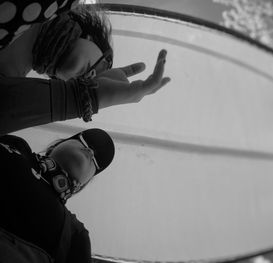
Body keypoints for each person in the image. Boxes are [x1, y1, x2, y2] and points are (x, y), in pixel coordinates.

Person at [0, 4, 170, 135]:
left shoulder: (8, 80)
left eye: (91, 81)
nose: (92, 76)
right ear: (92, 38)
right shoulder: (59, 4)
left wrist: (89, 97)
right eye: (105, 64)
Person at [0, 128, 115, 262]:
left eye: (95, 161)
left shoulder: (75, 233)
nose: (90, 152)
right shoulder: (17, 145)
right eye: (84, 142)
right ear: (56, 146)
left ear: (83, 183)